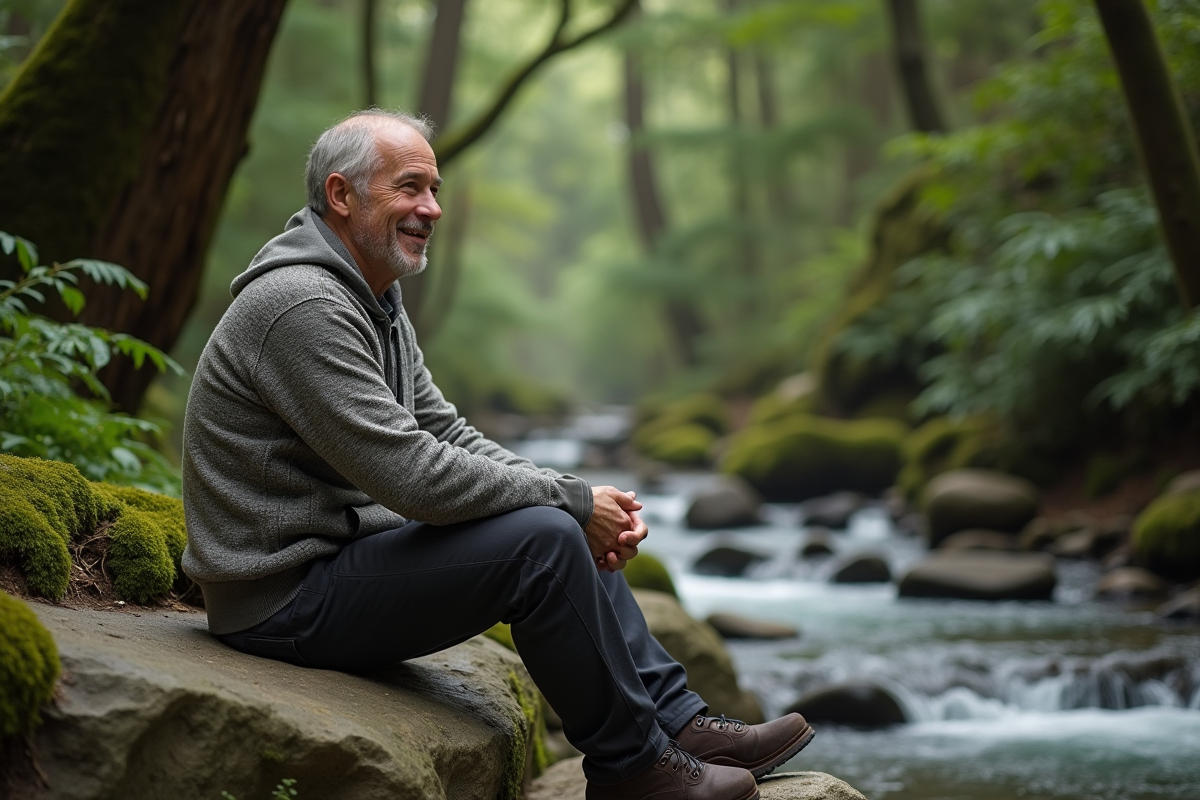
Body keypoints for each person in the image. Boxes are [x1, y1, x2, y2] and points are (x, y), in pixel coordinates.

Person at [180, 108, 814, 800]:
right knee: (544, 539)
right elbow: (412, 476)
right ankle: (634, 770)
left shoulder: (375, 300)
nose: (432, 208)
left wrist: (574, 497)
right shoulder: (302, 305)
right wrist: (571, 502)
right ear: (341, 195)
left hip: (338, 562)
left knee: (557, 520)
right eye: (409, 187)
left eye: (435, 189)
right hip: (282, 600)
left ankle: (680, 724)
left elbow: (446, 433)